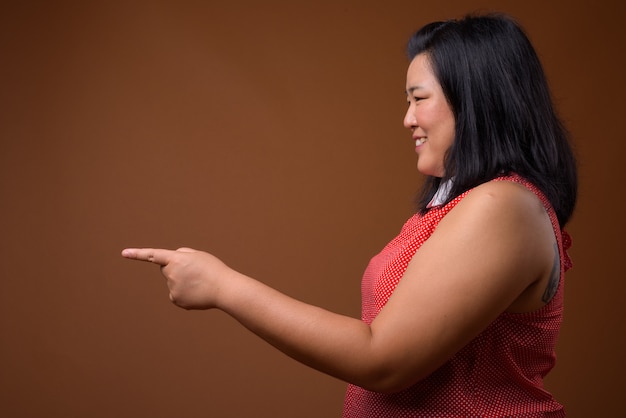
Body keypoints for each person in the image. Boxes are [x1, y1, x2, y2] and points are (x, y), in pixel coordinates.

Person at [122, 13, 577, 417]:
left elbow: (383, 360)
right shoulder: (456, 205)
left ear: (475, 101)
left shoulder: (504, 207)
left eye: (419, 98)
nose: (407, 119)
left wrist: (222, 285)